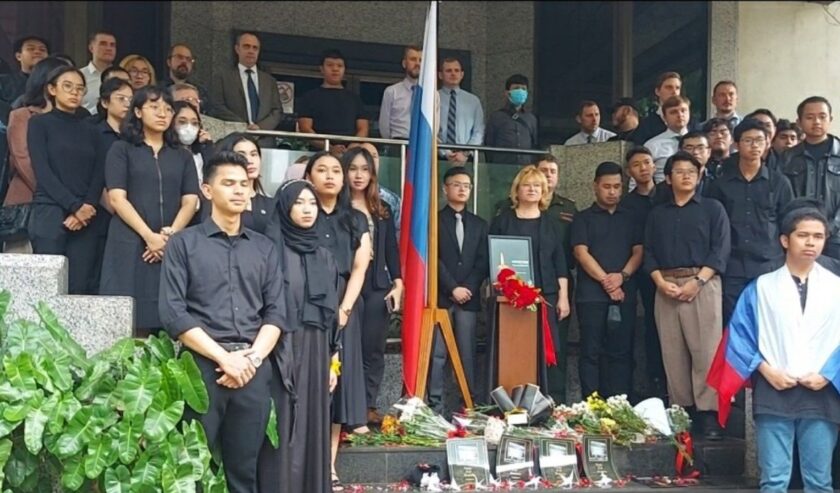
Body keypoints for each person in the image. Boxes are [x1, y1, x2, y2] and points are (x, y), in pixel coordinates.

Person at [159, 151, 285, 493]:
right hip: (200, 369)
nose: (239, 191)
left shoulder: (265, 249)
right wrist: (224, 358)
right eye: (228, 183)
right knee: (192, 471)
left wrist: (251, 359)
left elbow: (276, 313)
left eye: (244, 184)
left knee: (245, 474)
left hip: (252, 370)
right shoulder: (183, 245)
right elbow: (173, 313)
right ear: (207, 190)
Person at [708, 199, 840, 493]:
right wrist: (765, 369)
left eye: (818, 236)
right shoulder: (761, 287)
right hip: (774, 390)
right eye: (803, 235)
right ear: (785, 240)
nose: (811, 243)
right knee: (774, 480)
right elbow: (739, 337)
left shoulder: (836, 287)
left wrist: (829, 373)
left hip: (822, 391)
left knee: (820, 481)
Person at [644, 151, 731, 440]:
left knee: (706, 350)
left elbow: (720, 250)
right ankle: (682, 413)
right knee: (672, 352)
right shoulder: (657, 213)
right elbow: (649, 252)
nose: (686, 176)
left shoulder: (712, 208)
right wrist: (659, 281)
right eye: (679, 171)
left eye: (691, 171)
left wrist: (698, 281)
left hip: (703, 284)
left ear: (700, 175)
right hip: (666, 284)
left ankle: (709, 416)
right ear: (668, 178)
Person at [259, 179, 338, 493]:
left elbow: (330, 312)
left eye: (312, 204)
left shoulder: (324, 253)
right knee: (283, 420)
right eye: (299, 203)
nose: (307, 210)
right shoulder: (270, 248)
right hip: (281, 345)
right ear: (285, 206)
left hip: (318, 348)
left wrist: (335, 356)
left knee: (312, 418)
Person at [100, 86, 199, 335]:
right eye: (154, 107)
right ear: (138, 111)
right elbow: (117, 198)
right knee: (125, 318)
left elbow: (190, 200)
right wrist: (149, 237)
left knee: (167, 316)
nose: (162, 113)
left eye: (167, 108)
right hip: (130, 239)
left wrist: (169, 237)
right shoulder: (121, 150)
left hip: (170, 243)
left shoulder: (182, 156)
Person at [302, 152, 372, 490]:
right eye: (322, 170)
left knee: (337, 389)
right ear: (309, 176)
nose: (330, 176)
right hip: (307, 307)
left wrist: (345, 308)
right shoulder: (301, 214)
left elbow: (360, 267)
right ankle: (305, 464)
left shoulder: (355, 219)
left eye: (335, 171)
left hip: (345, 306)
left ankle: (328, 466)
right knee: (310, 384)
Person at [489, 165, 571, 401]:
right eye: (527, 185)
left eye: (537, 186)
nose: (532, 189)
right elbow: (494, 259)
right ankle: (511, 401)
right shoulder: (503, 221)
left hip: (546, 296)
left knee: (548, 350)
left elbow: (560, 264)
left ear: (544, 190)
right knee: (514, 351)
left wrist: (563, 297)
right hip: (510, 299)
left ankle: (547, 402)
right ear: (517, 190)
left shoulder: (552, 223)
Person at [706, 119, 794, 324]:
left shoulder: (779, 182)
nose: (754, 145)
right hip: (732, 265)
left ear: (767, 144)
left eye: (759, 140)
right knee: (733, 324)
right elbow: (714, 226)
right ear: (736, 144)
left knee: (768, 323)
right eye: (748, 140)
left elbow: (788, 222)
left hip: (769, 264)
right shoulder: (720, 184)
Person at [27, 65, 105, 294]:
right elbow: (42, 171)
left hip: (87, 217)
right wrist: (74, 207)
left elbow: (99, 172)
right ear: (52, 89)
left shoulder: (92, 130)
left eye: (80, 89)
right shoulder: (39, 124)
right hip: (50, 210)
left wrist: (87, 206)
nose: (74, 93)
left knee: (79, 286)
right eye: (67, 86)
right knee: (47, 287)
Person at [572, 162, 642, 399]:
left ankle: (619, 404)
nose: (612, 192)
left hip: (625, 294)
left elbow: (639, 252)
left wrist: (621, 277)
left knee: (622, 352)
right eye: (606, 187)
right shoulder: (582, 218)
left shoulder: (631, 217)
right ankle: (591, 406)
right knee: (590, 351)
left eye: (616, 187)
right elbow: (581, 253)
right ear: (595, 186)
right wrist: (607, 281)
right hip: (591, 296)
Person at [343, 146, 403, 425]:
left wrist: (398, 283)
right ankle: (345, 408)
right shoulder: (337, 206)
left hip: (377, 283)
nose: (358, 175)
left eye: (365, 169)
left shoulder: (382, 208)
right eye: (353, 168)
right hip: (346, 283)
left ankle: (368, 405)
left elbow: (391, 248)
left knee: (373, 348)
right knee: (348, 347)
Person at [428, 166, 488, 412]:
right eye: (457, 184)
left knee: (467, 354)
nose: (462, 189)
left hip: (469, 299)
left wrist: (468, 288)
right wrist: (453, 287)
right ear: (445, 188)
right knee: (438, 355)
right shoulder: (434, 220)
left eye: (467, 185)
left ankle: (468, 406)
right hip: (442, 296)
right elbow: (434, 258)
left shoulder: (479, 224)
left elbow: (483, 261)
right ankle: (435, 406)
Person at [3, 56, 70, 254]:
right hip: (28, 201)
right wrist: (55, 193)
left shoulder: (77, 118)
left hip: (67, 205)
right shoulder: (22, 115)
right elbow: (22, 159)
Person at [619, 146, 667, 398]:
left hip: (666, 269)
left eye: (647, 163)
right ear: (629, 172)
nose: (643, 168)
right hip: (638, 271)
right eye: (637, 165)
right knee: (647, 324)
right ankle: (651, 381)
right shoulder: (626, 204)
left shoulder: (667, 194)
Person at [783, 96, 840, 259]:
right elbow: (785, 196)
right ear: (799, 122)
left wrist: (830, 227)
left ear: (830, 119)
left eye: (822, 117)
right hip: (799, 236)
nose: (816, 121)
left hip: (836, 238)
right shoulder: (788, 157)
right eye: (809, 117)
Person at [298, 49, 368, 153]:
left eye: (339, 66)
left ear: (344, 69)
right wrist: (329, 148)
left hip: (349, 155)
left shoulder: (355, 99)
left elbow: (363, 129)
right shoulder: (309, 97)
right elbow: (305, 128)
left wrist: (351, 148)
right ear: (321, 69)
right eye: (330, 65)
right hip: (318, 154)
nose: (335, 69)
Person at [213, 32, 284, 132]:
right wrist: (243, 126)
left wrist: (260, 127)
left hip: (264, 139)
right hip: (234, 137)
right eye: (246, 46)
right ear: (237, 49)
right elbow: (217, 106)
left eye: (255, 48)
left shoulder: (269, 81)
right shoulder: (223, 78)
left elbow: (277, 111)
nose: (251, 51)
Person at [213, 133, 276, 235]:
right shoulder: (215, 201)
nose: (250, 160)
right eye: (241, 155)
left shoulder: (271, 205)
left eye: (254, 154)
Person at [438, 57, 484, 164]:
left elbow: (479, 130)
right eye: (449, 71)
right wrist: (445, 152)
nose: (453, 74)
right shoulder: (432, 98)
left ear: (462, 74)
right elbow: (429, 131)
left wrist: (465, 153)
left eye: (456, 70)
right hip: (439, 156)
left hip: (466, 158)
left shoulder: (473, 100)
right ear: (440, 75)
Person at [485, 74, 538, 165]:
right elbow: (489, 145)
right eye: (516, 88)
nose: (520, 91)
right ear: (507, 92)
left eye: (523, 89)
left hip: (525, 169)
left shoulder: (531, 119)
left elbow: (534, 144)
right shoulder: (496, 117)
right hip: (502, 168)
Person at [0, 35, 49, 123]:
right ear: (18, 56)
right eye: (31, 49)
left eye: (42, 50)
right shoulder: (3, 81)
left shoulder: (54, 84)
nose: (37, 52)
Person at [644, 95, 692, 183]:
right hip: (663, 193)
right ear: (664, 117)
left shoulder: (701, 143)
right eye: (674, 112)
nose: (680, 115)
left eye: (683, 110)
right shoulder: (652, 145)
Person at [378, 45, 421, 139]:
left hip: (422, 144)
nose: (417, 63)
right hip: (398, 142)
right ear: (404, 63)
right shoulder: (392, 91)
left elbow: (435, 126)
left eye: (421, 60)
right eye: (413, 59)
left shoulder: (432, 95)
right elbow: (384, 126)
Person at [633, 71, 686, 145]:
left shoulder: (692, 123)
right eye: (669, 87)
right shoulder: (646, 126)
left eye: (677, 88)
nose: (674, 92)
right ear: (657, 91)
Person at [171, 101, 213, 189]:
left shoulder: (200, 153)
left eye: (194, 123)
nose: (189, 128)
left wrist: (207, 147)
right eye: (182, 122)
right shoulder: (164, 154)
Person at [162, 43, 213, 115]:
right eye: (179, 57)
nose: (184, 61)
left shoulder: (201, 91)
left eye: (188, 59)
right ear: (169, 62)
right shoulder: (158, 90)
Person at [80, 31, 117, 113]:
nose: (109, 48)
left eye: (112, 45)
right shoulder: (80, 75)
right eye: (103, 44)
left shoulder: (122, 76)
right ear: (91, 48)